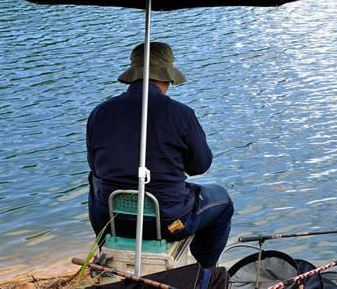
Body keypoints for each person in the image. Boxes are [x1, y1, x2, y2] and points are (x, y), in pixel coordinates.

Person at [87, 42, 233, 268]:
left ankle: (105, 249)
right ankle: (205, 271)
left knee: (95, 181)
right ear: (168, 78)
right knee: (222, 201)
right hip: (169, 223)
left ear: (133, 75)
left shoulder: (100, 112)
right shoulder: (181, 114)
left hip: (112, 220)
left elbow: (96, 167)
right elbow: (200, 165)